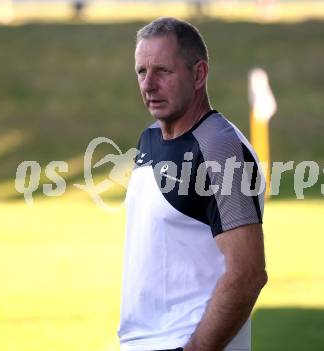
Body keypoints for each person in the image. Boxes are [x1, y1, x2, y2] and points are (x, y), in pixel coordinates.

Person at [118, 17, 268, 351]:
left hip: (184, 342)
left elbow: (248, 274)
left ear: (198, 74)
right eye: (141, 72)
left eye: (163, 71)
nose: (148, 84)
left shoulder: (219, 149)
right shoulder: (151, 137)